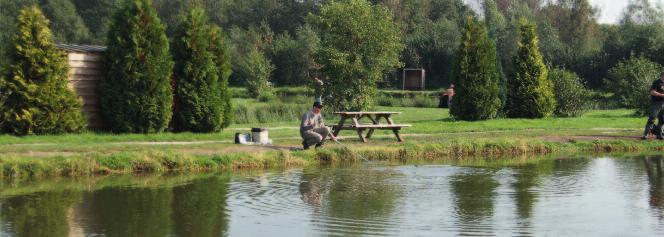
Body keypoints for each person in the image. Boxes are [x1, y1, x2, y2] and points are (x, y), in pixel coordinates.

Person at [642, 72, 664, 140]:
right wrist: (662, 95)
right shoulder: (657, 82)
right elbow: (652, 92)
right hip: (656, 103)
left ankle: (659, 134)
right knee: (652, 117)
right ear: (662, 75)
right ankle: (646, 134)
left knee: (662, 119)